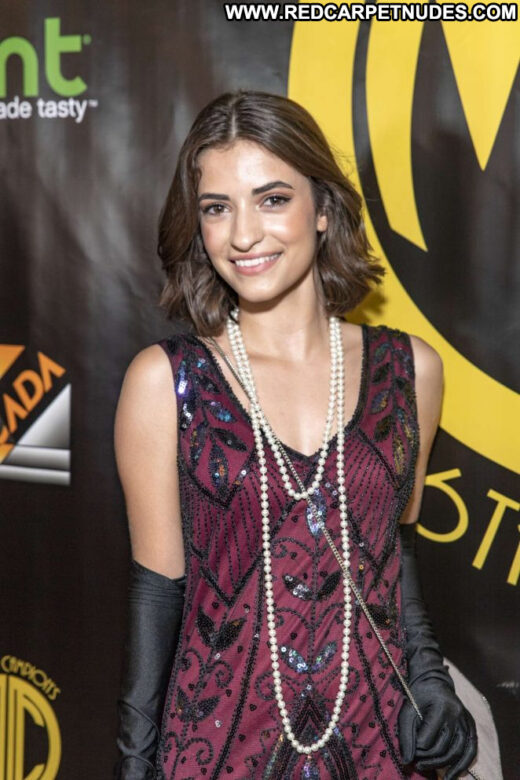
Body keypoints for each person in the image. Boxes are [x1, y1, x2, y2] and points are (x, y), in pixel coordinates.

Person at [113, 89, 477, 779]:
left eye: (272, 199)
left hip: (376, 748)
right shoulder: (165, 381)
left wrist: (429, 681)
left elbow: (395, 559)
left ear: (324, 209)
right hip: (216, 753)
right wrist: (134, 767)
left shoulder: (410, 373)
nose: (243, 235)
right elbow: (156, 602)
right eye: (217, 208)